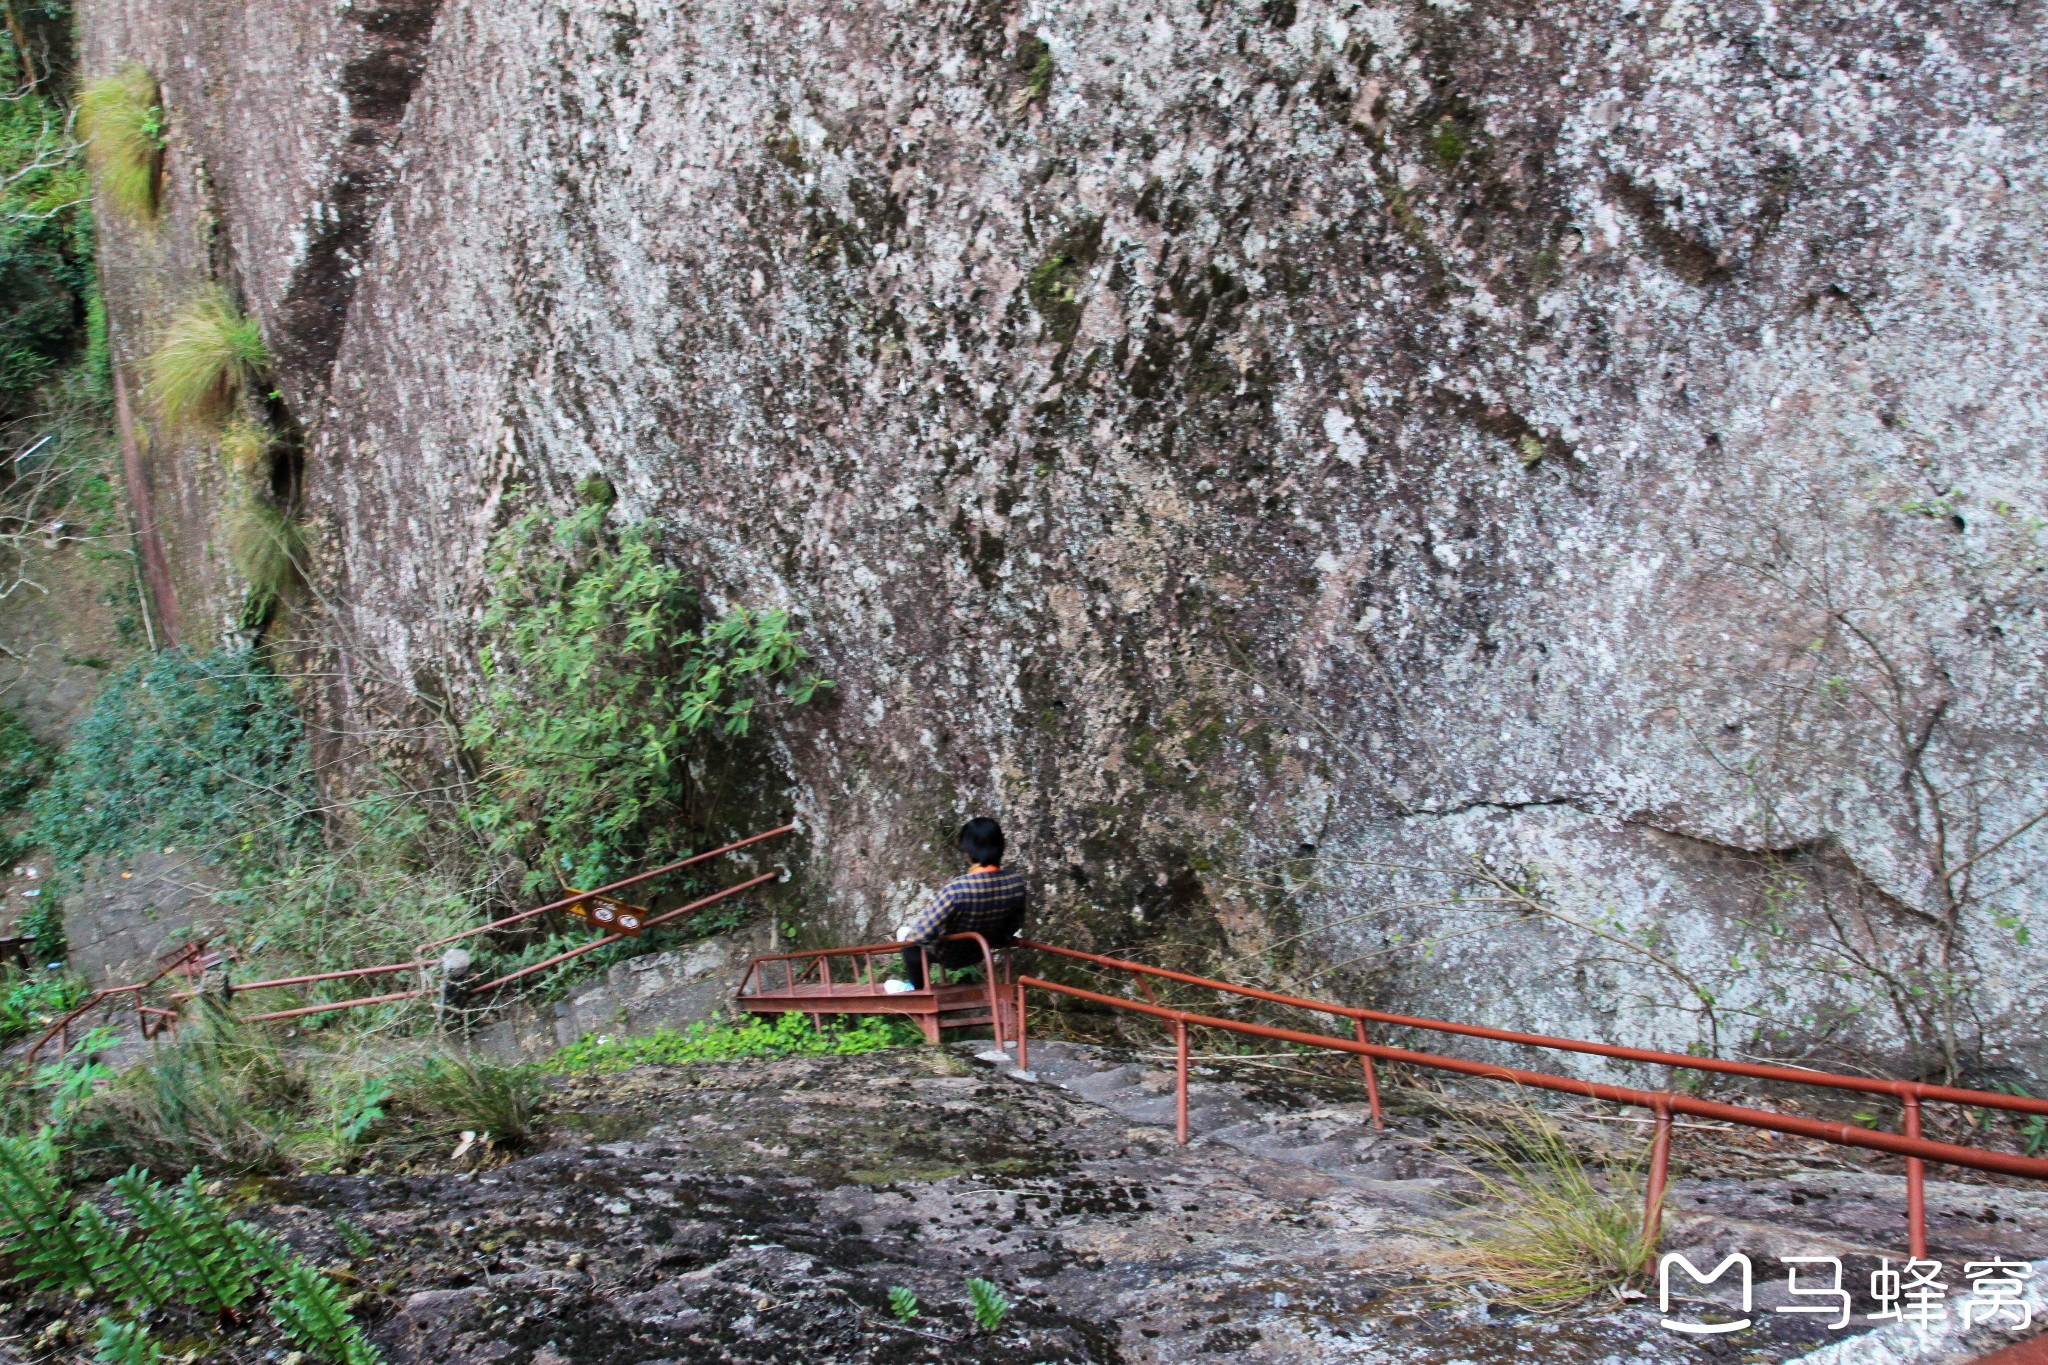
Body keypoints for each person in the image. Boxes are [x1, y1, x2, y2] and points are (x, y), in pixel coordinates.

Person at [883, 817, 1026, 992]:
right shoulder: (1016, 884)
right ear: (1001, 846)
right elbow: (1014, 925)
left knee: (907, 940)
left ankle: (916, 990)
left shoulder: (956, 890)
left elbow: (920, 935)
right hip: (979, 952)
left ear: (969, 852)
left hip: (948, 954)